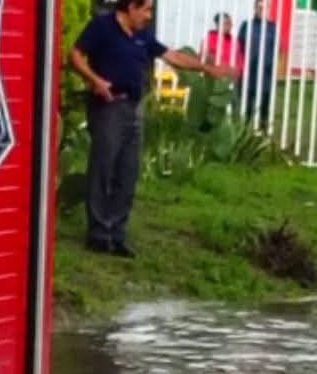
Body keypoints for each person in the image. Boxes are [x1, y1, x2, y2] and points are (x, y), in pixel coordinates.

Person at [69, 0, 234, 257]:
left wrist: (206, 68)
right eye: (146, 9)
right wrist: (94, 80)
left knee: (128, 171)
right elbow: (75, 55)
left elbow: (172, 56)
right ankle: (98, 234)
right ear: (130, 8)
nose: (149, 16)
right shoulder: (102, 26)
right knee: (104, 168)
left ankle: (117, 233)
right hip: (109, 106)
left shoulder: (143, 35)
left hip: (134, 108)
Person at [237, 0, 278, 131]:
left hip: (266, 73)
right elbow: (239, 48)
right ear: (255, 8)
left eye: (265, 7)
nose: (262, 10)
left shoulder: (273, 28)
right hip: (248, 73)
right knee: (246, 107)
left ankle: (262, 134)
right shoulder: (246, 25)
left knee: (264, 108)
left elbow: (277, 49)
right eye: (259, 7)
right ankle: (243, 133)